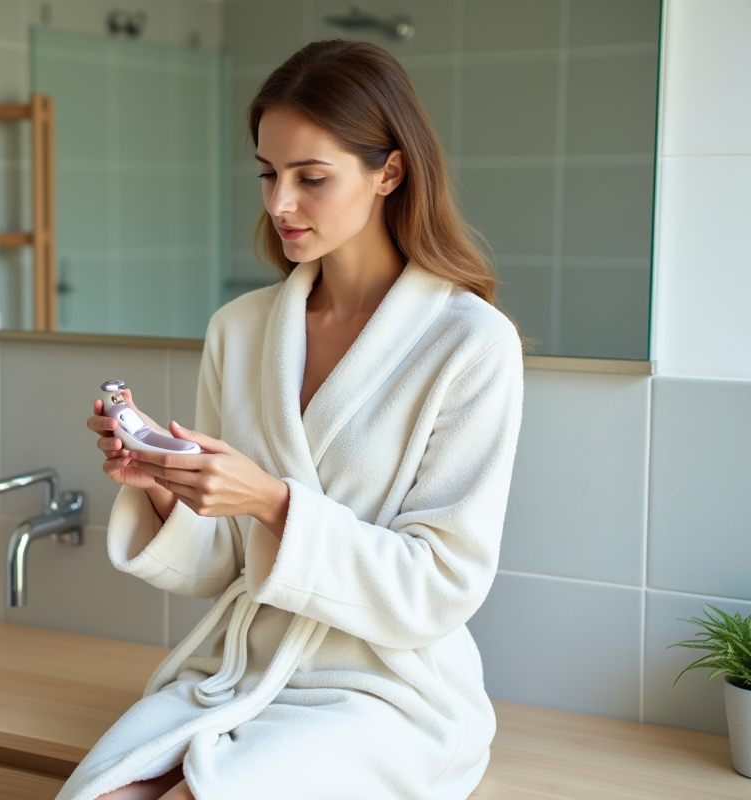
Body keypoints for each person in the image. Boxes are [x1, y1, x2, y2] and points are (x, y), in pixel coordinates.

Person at [68, 39, 524, 800]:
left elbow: (440, 586)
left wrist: (270, 501)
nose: (280, 203)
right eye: (269, 174)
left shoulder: (470, 344)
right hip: (239, 669)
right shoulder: (241, 330)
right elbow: (221, 565)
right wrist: (161, 481)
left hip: (383, 691)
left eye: (311, 178)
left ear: (389, 171)